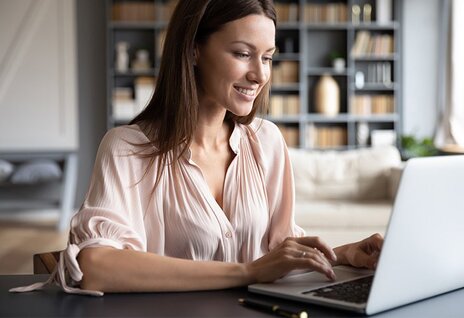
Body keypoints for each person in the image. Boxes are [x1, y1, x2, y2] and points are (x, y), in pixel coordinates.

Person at [11, 0, 382, 296]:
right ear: (192, 51)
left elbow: (277, 252)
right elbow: (96, 267)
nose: (260, 74)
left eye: (267, 57)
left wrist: (346, 253)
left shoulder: (266, 143)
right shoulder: (126, 149)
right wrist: (247, 272)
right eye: (242, 54)